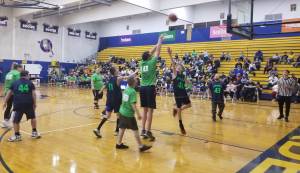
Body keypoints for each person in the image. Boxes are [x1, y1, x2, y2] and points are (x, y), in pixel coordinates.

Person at [116, 76, 152, 152]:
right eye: (136, 80)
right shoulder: (132, 92)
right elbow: (133, 104)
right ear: (134, 83)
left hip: (122, 112)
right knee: (135, 130)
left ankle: (118, 144)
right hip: (129, 115)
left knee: (122, 128)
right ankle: (140, 146)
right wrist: (138, 114)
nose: (137, 81)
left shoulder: (126, 89)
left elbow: (125, 100)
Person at [3, 70, 41, 142]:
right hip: (28, 104)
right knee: (33, 118)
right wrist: (35, 103)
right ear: (27, 75)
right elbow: (34, 94)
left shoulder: (14, 83)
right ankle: (34, 133)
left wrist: (5, 102)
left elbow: (9, 93)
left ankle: (17, 136)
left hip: (18, 104)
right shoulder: (30, 83)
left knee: (15, 121)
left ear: (20, 75)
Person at [139, 35, 163, 141]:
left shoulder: (142, 62)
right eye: (150, 54)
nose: (151, 53)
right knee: (150, 111)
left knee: (144, 111)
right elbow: (157, 51)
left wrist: (157, 43)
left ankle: (143, 130)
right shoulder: (152, 62)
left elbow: (150, 52)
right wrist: (160, 40)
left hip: (142, 88)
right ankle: (148, 131)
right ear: (149, 57)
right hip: (149, 88)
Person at [93, 67, 123, 138]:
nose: (118, 70)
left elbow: (104, 86)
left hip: (109, 99)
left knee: (107, 115)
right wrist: (135, 72)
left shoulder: (109, 79)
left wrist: (100, 91)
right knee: (118, 115)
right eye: (117, 69)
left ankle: (97, 129)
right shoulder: (117, 78)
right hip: (116, 100)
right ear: (115, 72)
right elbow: (127, 77)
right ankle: (116, 131)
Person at [168, 47, 191, 135]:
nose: (178, 67)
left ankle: (176, 109)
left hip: (184, 93)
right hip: (177, 94)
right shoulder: (175, 74)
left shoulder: (183, 76)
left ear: (182, 68)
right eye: (177, 66)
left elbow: (188, 83)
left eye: (179, 66)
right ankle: (181, 125)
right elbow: (173, 64)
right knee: (179, 109)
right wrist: (170, 55)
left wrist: (189, 84)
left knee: (189, 105)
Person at [2, 63, 22, 128]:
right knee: (15, 107)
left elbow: (5, 83)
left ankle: (5, 121)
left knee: (8, 106)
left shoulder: (8, 73)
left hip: (6, 91)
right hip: (13, 92)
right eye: (21, 68)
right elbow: (19, 83)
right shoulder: (17, 73)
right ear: (18, 68)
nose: (21, 69)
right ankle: (11, 121)